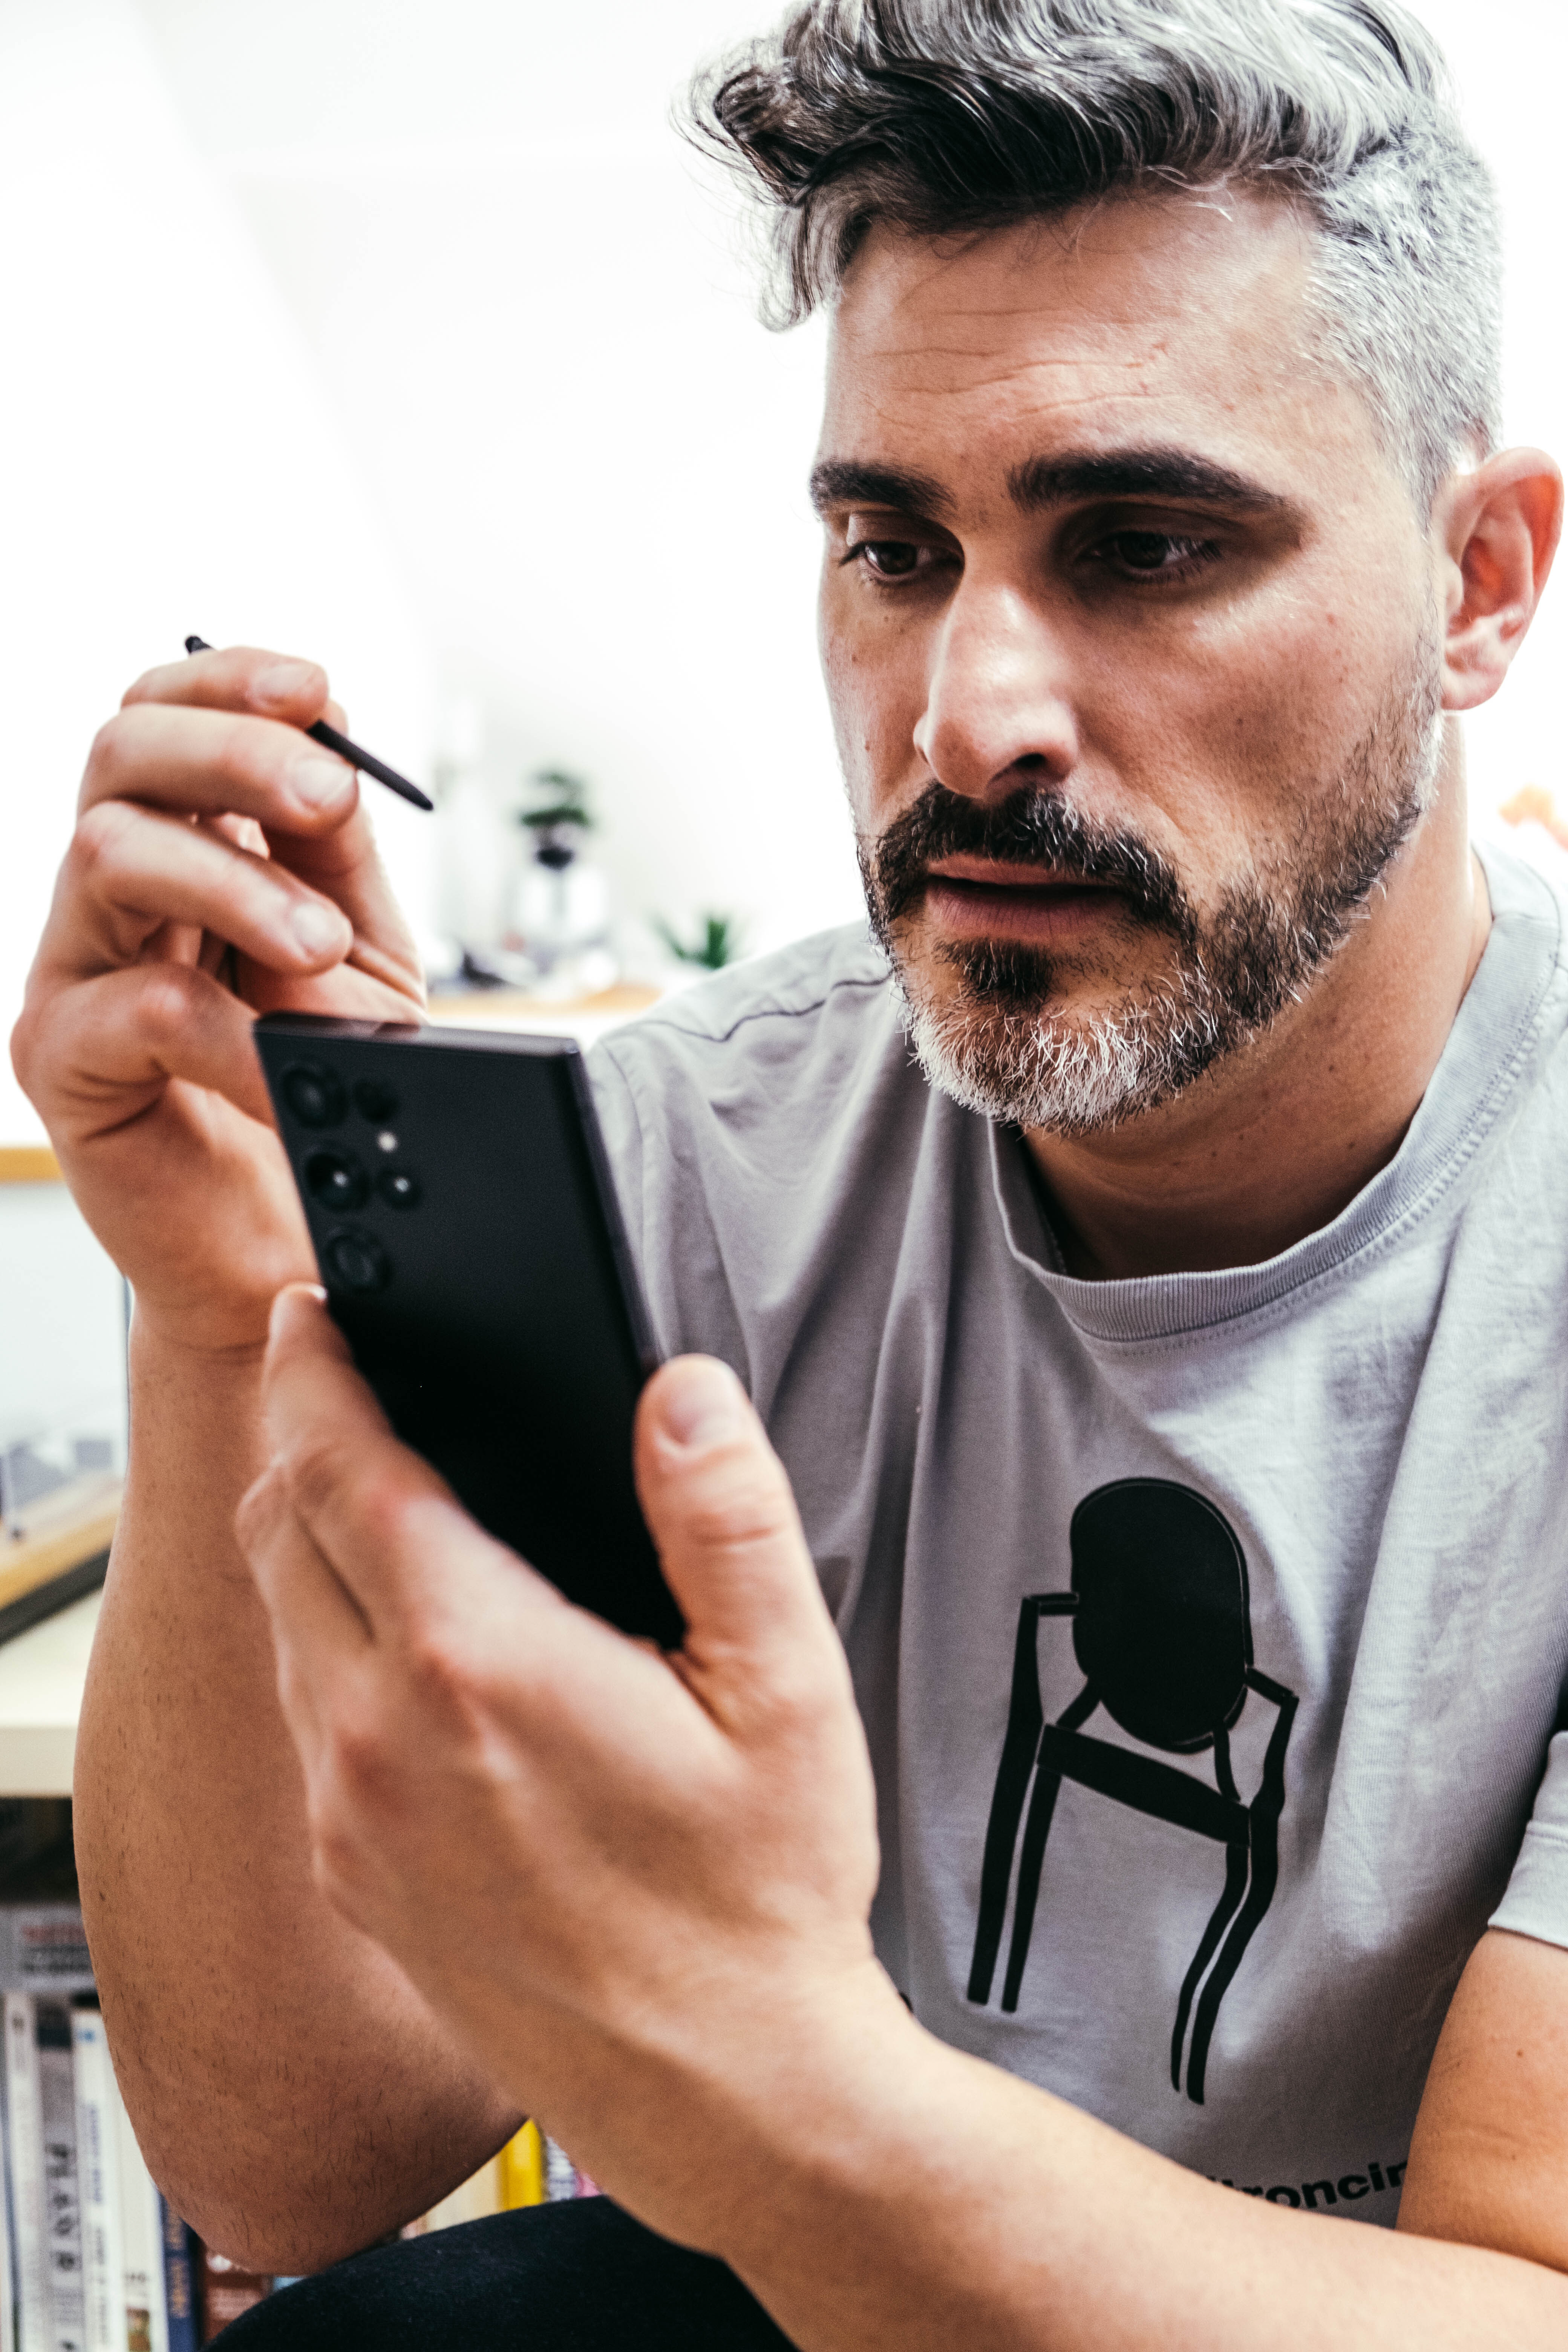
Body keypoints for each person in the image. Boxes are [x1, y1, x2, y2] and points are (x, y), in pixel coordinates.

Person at [14, 0, 1568, 2341]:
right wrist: (226, 1311)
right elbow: (294, 2154)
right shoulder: (695, 1168)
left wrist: (762, 2061)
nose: (967, 713)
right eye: (895, 546)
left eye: (1144, 546)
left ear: (1479, 583)